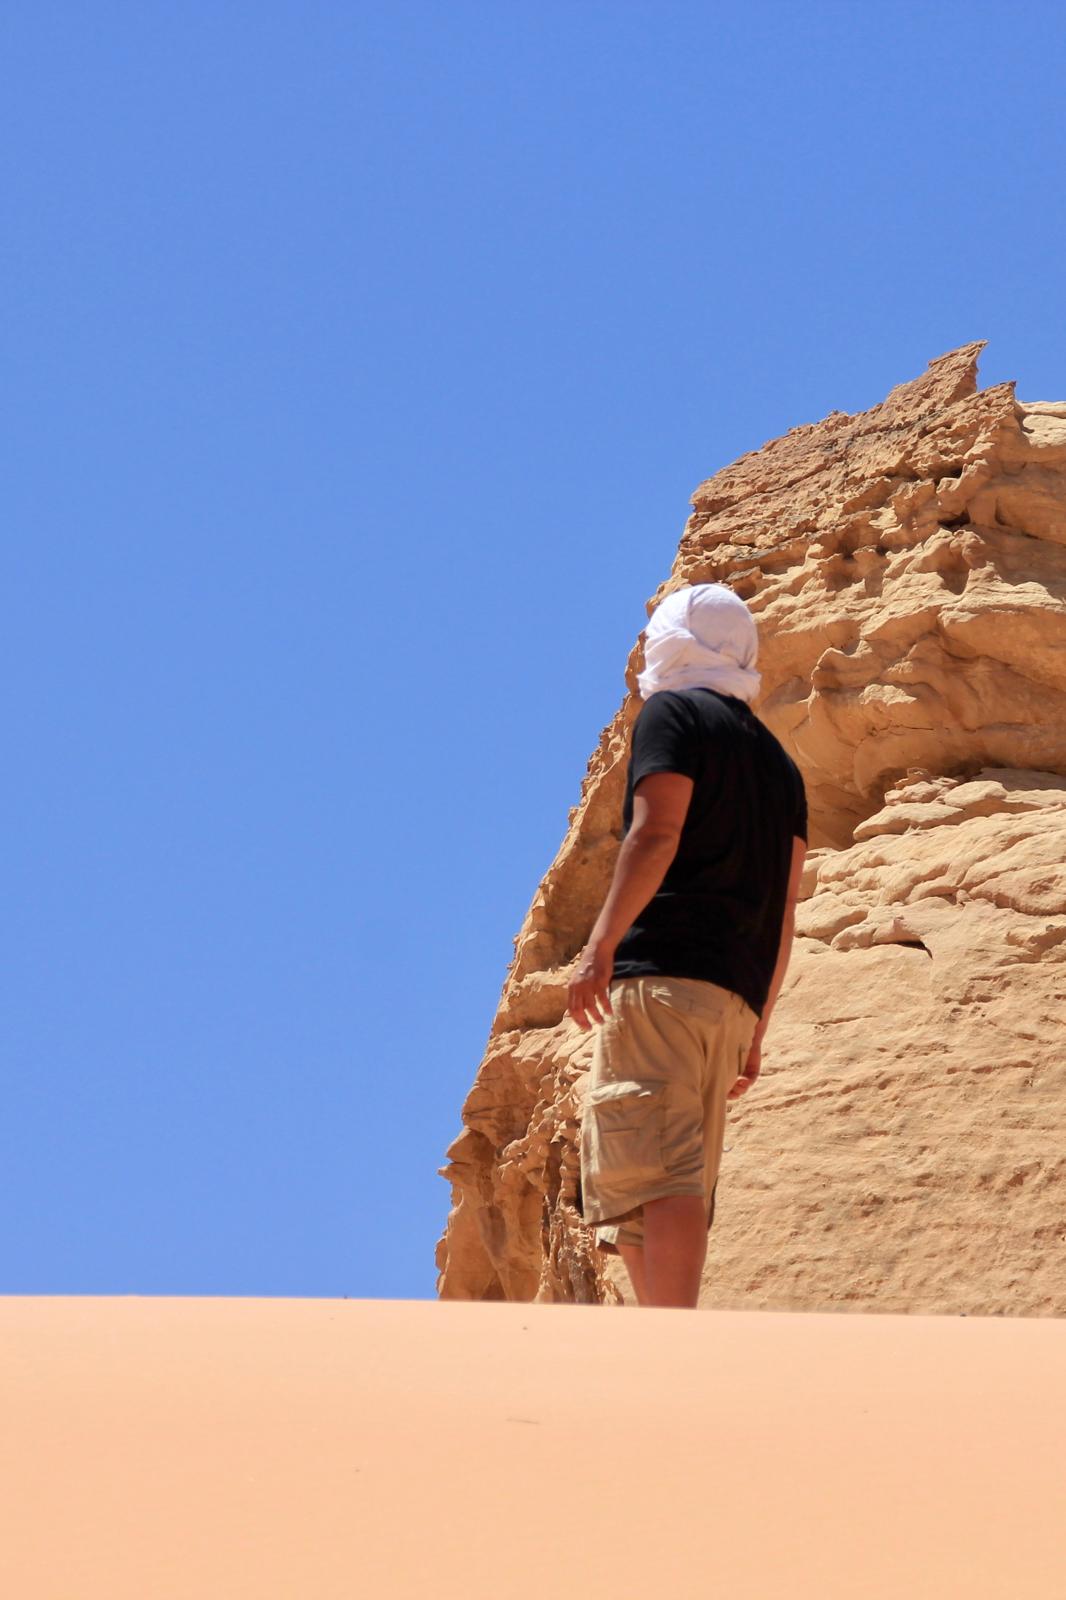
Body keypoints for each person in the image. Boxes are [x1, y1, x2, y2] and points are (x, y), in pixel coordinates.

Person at [568, 583, 807, 1309]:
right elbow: (785, 910)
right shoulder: (781, 766)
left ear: (674, 642)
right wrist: (757, 1025)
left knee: (658, 1170)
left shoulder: (673, 713)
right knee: (659, 1176)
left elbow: (656, 833)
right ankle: (659, 1337)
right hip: (731, 994)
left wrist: (601, 942)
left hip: (664, 976)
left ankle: (674, 1343)